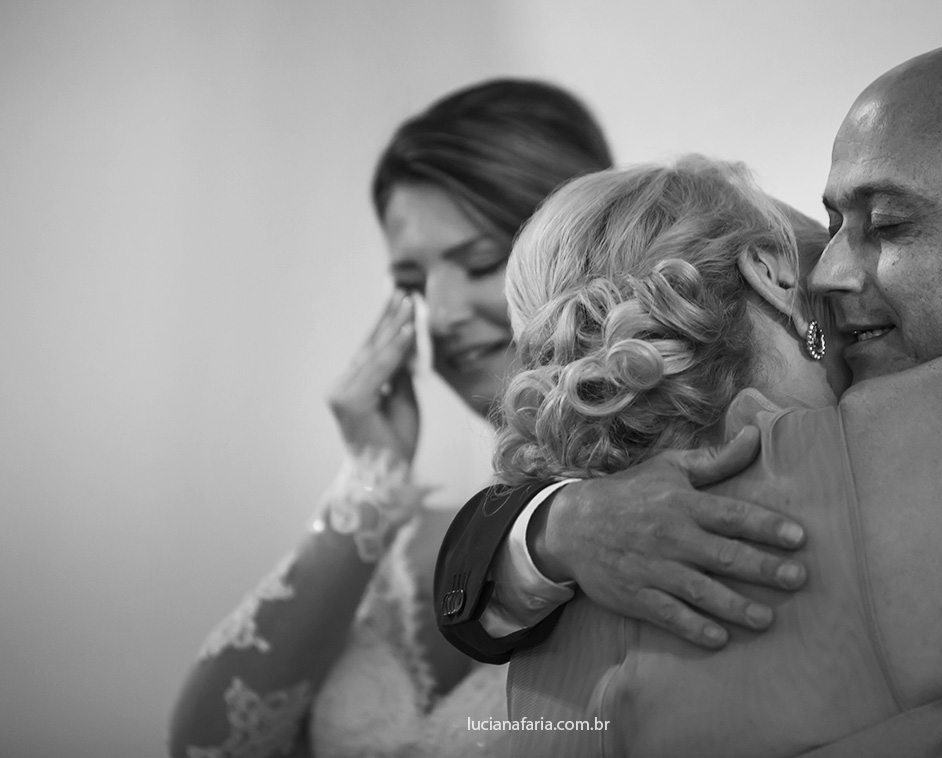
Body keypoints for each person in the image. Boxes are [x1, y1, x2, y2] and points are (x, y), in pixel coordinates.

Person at [434, 38, 942, 757]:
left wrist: (548, 528)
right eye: (825, 232)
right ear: (769, 277)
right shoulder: (902, 452)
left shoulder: (544, 642)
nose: (834, 275)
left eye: (887, 224)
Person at [167, 78, 614, 758]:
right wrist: (370, 479)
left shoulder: (644, 525)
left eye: (481, 262)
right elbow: (210, 747)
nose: (438, 314)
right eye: (411, 283)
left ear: (586, 249)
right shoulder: (404, 554)